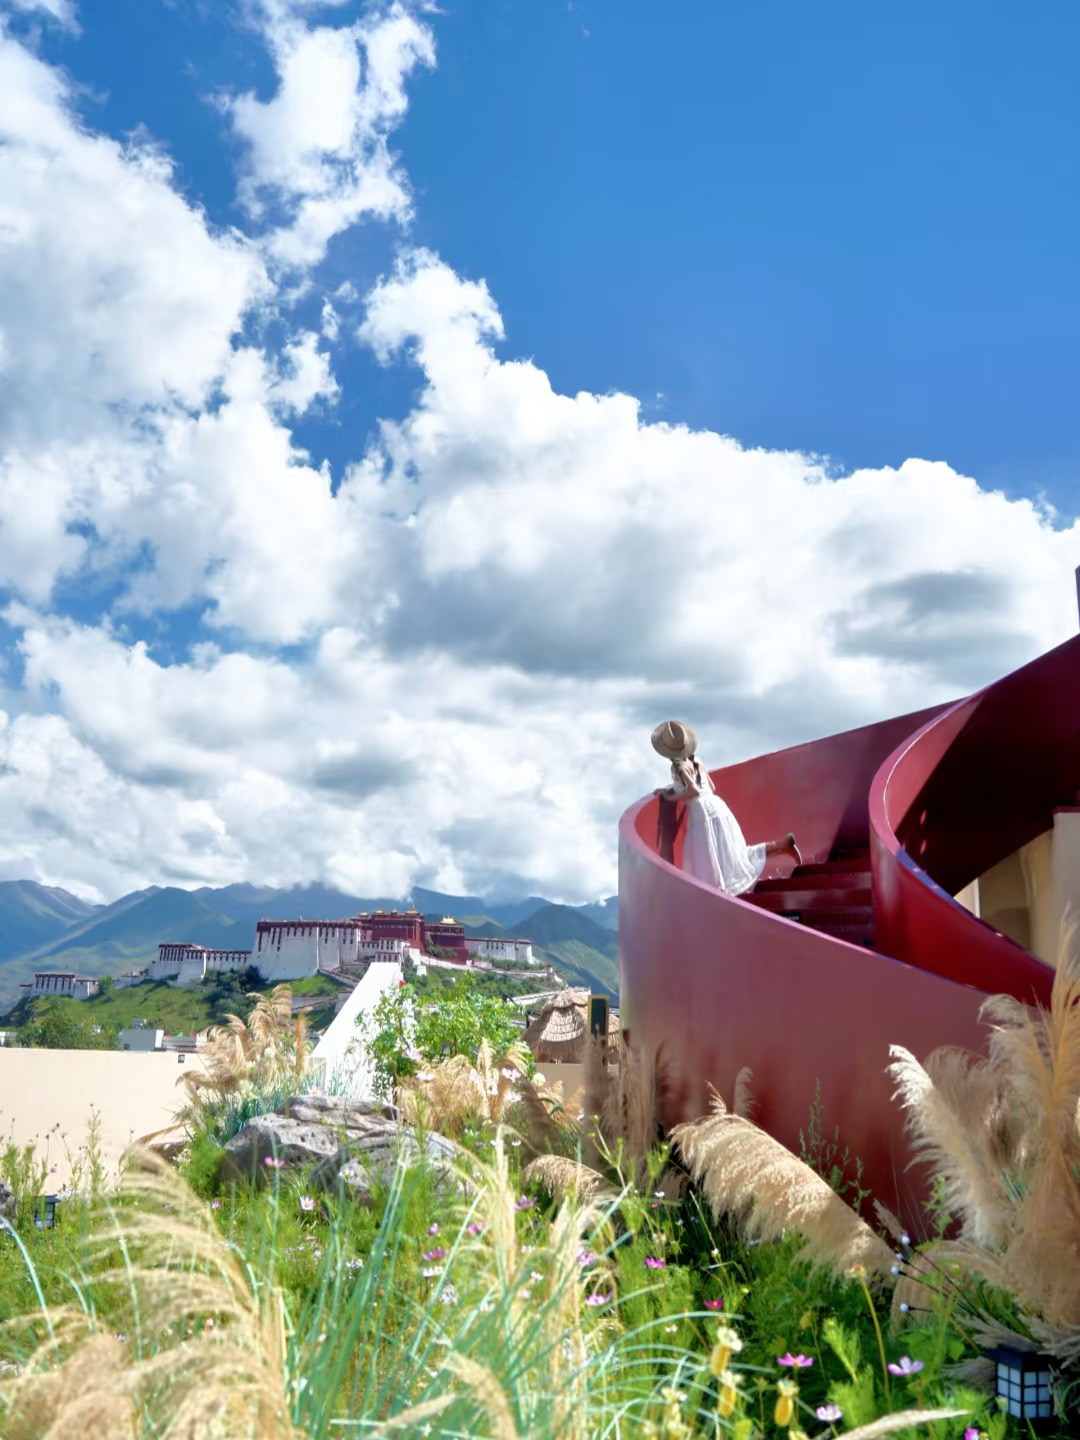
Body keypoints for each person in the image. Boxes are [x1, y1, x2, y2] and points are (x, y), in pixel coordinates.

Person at [651, 719, 801, 895]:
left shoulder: (679, 767)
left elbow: (694, 791)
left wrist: (670, 797)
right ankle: (782, 844)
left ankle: (717, 898)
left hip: (702, 814)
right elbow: (711, 787)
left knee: (708, 863)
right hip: (717, 805)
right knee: (733, 857)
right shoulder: (697, 761)